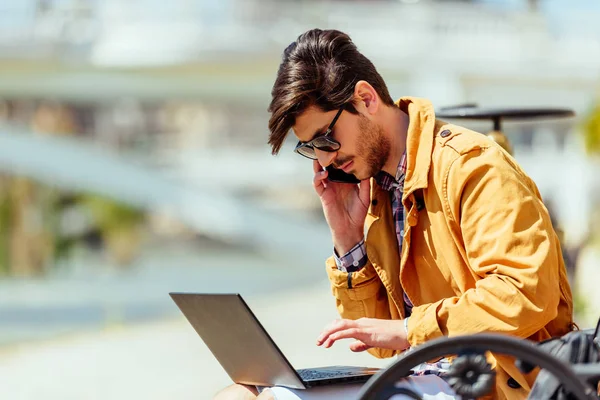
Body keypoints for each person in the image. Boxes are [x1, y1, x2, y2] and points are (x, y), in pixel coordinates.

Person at [214, 29, 574, 400]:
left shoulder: (471, 167)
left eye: (326, 137)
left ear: (366, 98)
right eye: (311, 148)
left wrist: (408, 330)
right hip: (428, 378)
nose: (324, 159)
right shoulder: (377, 189)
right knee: (240, 393)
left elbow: (524, 293)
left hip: (494, 382)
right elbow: (382, 346)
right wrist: (348, 239)